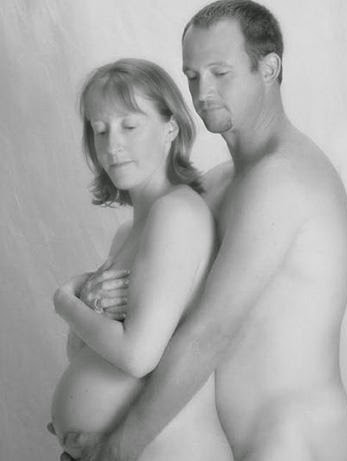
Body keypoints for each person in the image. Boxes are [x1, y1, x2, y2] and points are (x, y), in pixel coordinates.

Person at [56, 1, 347, 460]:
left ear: (269, 68)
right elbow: (162, 316)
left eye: (220, 72)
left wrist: (118, 446)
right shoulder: (216, 184)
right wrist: (93, 300)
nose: (202, 91)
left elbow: (209, 333)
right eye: (192, 75)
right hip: (225, 439)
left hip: (287, 438)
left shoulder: (284, 179)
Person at [49, 57, 234, 461]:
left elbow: (137, 356)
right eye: (100, 130)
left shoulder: (175, 214)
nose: (111, 145)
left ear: (171, 128)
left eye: (129, 126)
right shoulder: (128, 233)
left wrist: (65, 302)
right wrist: (90, 307)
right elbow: (86, 355)